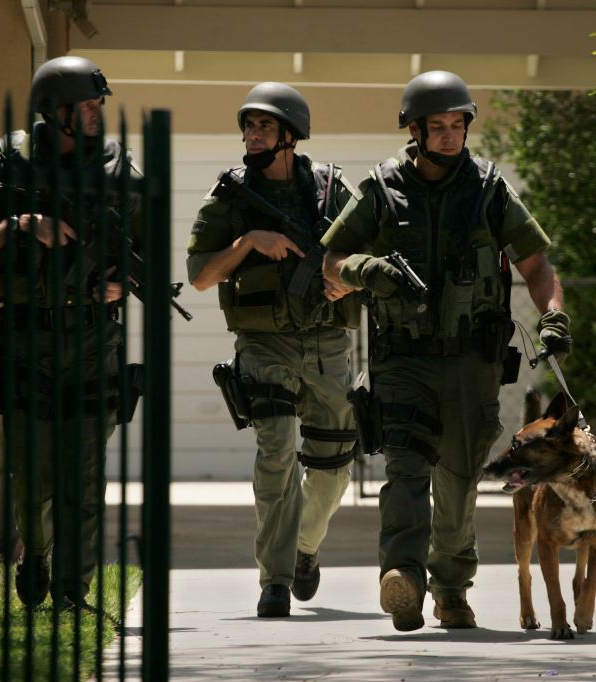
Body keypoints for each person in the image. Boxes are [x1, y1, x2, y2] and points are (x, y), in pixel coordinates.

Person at [321, 70, 572, 632]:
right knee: (406, 468)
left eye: (459, 125)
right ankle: (403, 576)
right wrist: (369, 269)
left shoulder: (489, 190)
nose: (451, 137)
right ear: (415, 130)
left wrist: (554, 315)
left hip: (471, 361)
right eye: (438, 127)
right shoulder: (382, 189)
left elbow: (536, 265)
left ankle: (451, 588)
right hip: (402, 358)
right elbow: (332, 261)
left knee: (458, 481)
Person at [0, 55, 143, 611]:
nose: (96, 114)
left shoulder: (117, 168)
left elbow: (144, 254)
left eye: (98, 104)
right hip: (27, 338)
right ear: (54, 112)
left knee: (84, 480)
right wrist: (21, 225)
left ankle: (72, 591)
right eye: (86, 105)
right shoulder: (8, 160)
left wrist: (121, 285)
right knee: (32, 475)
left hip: (91, 340)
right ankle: (34, 552)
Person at [186, 82, 362, 618]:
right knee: (275, 456)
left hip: (329, 343)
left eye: (264, 125)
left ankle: (305, 549)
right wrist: (247, 243)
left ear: (290, 134)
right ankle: (275, 579)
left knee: (334, 467)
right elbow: (198, 277)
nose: (252, 134)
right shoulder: (229, 198)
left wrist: (347, 278)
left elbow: (370, 250)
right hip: (264, 345)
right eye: (248, 125)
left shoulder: (333, 191)